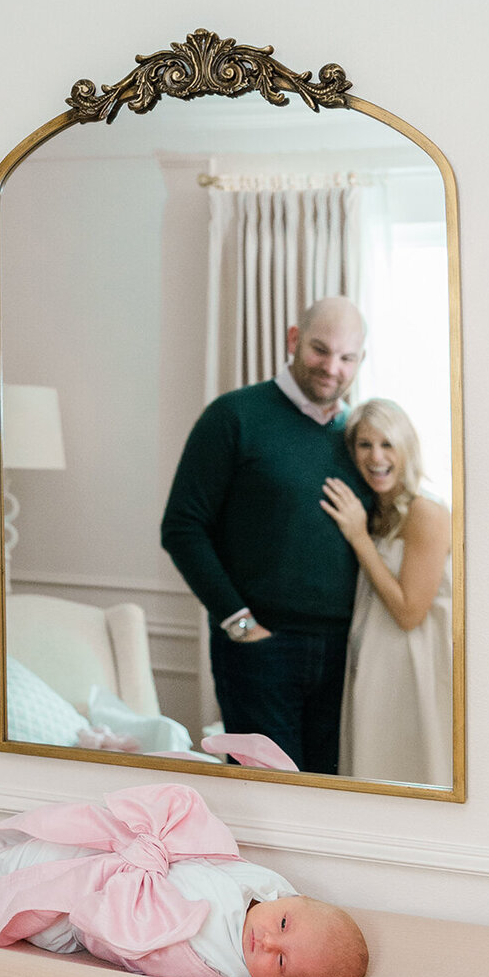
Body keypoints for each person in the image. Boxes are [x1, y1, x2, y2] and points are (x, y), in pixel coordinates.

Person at [160, 296, 373, 775]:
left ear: (361, 361)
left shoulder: (358, 435)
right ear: (294, 340)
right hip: (261, 648)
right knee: (270, 801)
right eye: (321, 350)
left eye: (347, 357)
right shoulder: (234, 416)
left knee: (332, 798)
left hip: (345, 653)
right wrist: (241, 626)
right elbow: (182, 527)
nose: (332, 368)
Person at [0, 784, 369, 977]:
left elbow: (134, 945)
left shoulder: (212, 959)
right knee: (73, 833)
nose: (266, 940)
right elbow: (215, 859)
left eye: (281, 964)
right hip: (136, 859)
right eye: (283, 924)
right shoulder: (265, 887)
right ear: (293, 898)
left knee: (49, 898)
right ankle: (0, 859)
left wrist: (130, 879)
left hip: (99, 912)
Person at [320, 399, 453, 785]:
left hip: (413, 670)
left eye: (387, 444)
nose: (376, 456)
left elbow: (410, 613)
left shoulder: (426, 512)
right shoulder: (376, 513)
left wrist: (359, 538)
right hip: (376, 666)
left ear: (406, 448)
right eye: (364, 445)